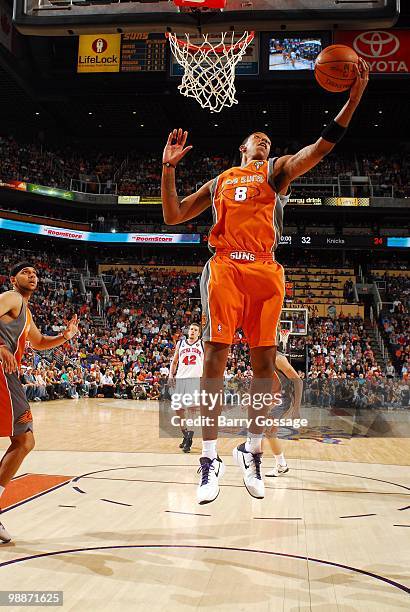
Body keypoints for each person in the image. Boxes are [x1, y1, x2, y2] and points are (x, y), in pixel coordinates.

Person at [161, 59, 369, 504]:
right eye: (258, 138)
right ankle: (209, 457)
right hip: (225, 266)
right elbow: (173, 215)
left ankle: (251, 449)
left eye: (268, 140)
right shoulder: (221, 181)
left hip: (266, 270)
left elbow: (320, 148)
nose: (264, 141)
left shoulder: (276, 172)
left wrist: (352, 101)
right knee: (216, 356)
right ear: (242, 146)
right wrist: (169, 169)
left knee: (264, 370)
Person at [0, 262, 79, 542]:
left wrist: (65, 337)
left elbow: (40, 342)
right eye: (25, 272)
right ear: (13, 279)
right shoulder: (11, 297)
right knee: (24, 441)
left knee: (24, 441)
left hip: (9, 373)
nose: (32, 275)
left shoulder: (26, 311)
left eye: (35, 273)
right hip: (3, 370)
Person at [264, 348, 303, 477]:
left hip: (283, 399)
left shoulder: (278, 358)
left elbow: (298, 381)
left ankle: (281, 465)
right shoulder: (260, 355)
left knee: (268, 429)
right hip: (272, 397)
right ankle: (279, 464)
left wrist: (296, 409)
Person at [168, 322, 204, 453]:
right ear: (188, 331)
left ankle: (189, 439)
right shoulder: (180, 343)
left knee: (192, 410)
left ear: (199, 333)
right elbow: (175, 360)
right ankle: (185, 434)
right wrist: (171, 374)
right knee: (178, 410)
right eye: (191, 329)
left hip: (195, 380)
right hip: (180, 379)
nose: (193, 331)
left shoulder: (202, 344)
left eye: (195, 330)